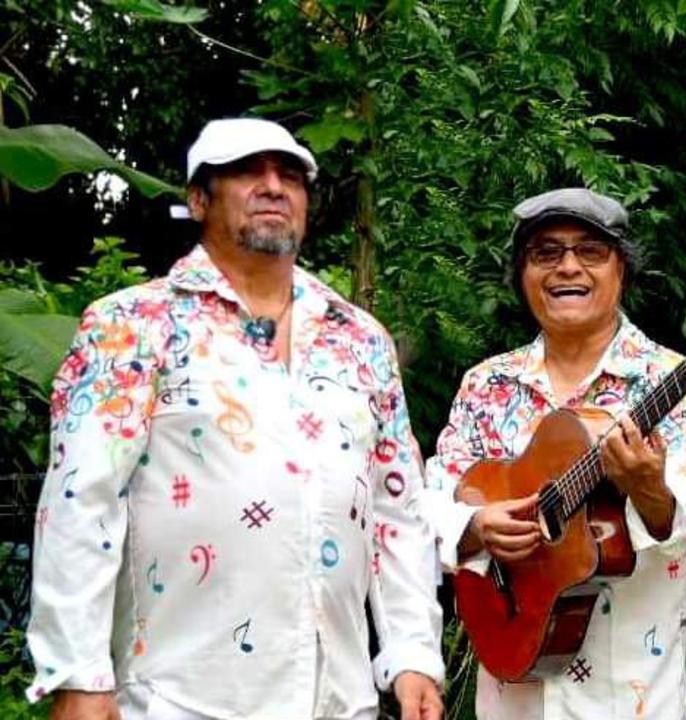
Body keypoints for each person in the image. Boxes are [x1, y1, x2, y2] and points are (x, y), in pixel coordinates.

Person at [26, 118, 445, 720]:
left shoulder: (360, 339)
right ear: (198, 199)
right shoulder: (130, 326)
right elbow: (79, 502)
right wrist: (77, 672)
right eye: (247, 172)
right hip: (180, 697)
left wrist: (411, 655)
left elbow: (396, 511)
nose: (274, 186)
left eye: (291, 176)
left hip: (337, 699)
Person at [424, 188, 686, 719]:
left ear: (621, 268)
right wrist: (475, 523)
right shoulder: (486, 385)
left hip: (630, 695)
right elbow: (429, 501)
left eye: (590, 251)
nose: (567, 268)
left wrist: (649, 489)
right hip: (512, 692)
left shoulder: (675, 380)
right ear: (522, 274)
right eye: (546, 253)